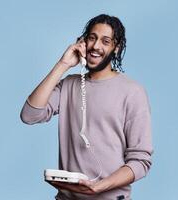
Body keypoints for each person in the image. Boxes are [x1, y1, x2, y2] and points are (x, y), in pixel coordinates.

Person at [20, 14, 153, 200]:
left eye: (106, 41)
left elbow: (140, 162)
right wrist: (63, 64)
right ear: (82, 42)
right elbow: (29, 115)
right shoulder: (69, 85)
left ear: (116, 48)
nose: (96, 46)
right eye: (92, 38)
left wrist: (99, 187)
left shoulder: (133, 92)